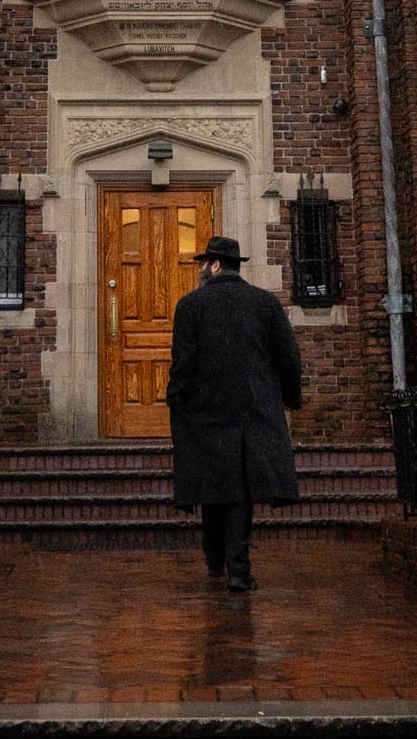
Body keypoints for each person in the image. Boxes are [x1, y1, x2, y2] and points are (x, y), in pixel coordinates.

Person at [165, 235, 302, 593]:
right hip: (252, 409)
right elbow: (288, 356)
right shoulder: (265, 303)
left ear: (213, 265)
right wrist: (290, 398)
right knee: (239, 489)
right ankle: (238, 570)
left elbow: (183, 361)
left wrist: (176, 397)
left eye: (203, 264)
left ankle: (216, 561)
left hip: (205, 410)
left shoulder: (191, 305)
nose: (200, 270)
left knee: (214, 485)